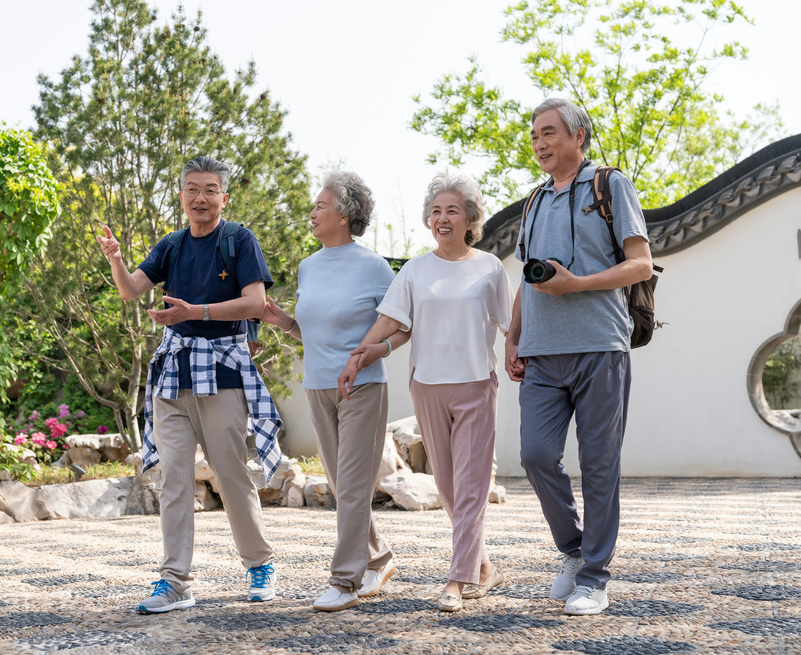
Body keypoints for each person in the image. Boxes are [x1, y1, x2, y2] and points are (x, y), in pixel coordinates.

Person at [96, 156, 283, 613]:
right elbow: (130, 290)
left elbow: (256, 303)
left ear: (224, 196)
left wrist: (192, 313)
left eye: (210, 189)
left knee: (231, 474)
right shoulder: (172, 244)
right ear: (181, 196)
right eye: (192, 189)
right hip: (173, 374)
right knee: (174, 481)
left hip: (221, 373)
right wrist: (117, 261)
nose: (201, 198)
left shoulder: (238, 240)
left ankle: (260, 564)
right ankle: (175, 581)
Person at [505, 98, 653, 615]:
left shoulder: (609, 185)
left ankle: (594, 577)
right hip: (542, 353)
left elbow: (641, 265)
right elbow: (525, 277)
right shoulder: (533, 201)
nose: (540, 143)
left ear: (578, 136)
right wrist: (513, 337)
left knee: (599, 465)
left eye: (548, 133)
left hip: (599, 346)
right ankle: (573, 549)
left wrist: (579, 285)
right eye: (534, 135)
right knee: (535, 455)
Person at [340, 174, 512, 612]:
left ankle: (457, 579)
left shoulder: (490, 268)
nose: (442, 218)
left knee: (472, 486)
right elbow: (389, 321)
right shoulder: (416, 270)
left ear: (471, 218)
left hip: (475, 384)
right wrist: (359, 355)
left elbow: (511, 325)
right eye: (436, 211)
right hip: (427, 386)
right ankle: (484, 567)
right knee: (449, 486)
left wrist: (520, 357)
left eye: (452, 210)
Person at [260, 172, 406, 611]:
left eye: (320, 206)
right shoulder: (308, 265)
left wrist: (370, 354)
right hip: (317, 387)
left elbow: (400, 325)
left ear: (343, 215)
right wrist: (281, 320)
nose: (312, 212)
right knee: (345, 487)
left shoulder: (374, 267)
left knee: (356, 486)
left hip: (362, 387)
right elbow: (310, 331)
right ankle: (380, 559)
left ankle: (345, 581)